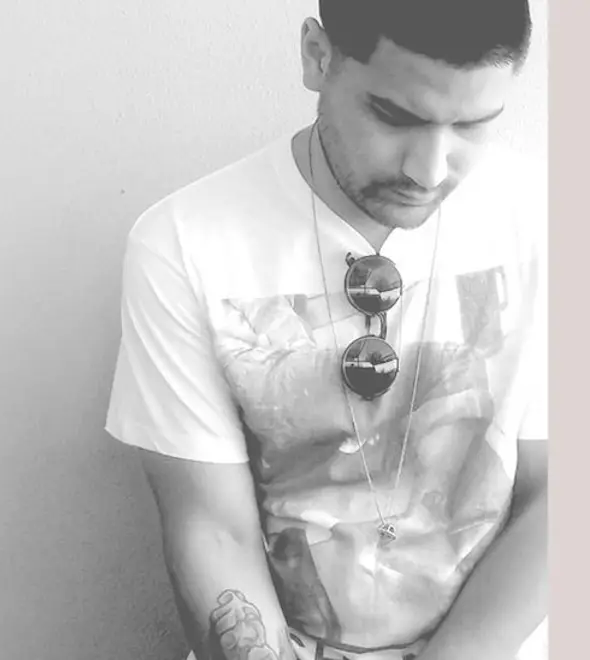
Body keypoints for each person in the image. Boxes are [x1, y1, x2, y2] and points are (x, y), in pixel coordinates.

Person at [104, 2, 547, 659]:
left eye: (472, 125)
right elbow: (212, 529)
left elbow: (561, 497)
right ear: (318, 56)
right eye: (394, 116)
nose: (429, 170)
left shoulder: (547, 219)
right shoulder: (185, 242)